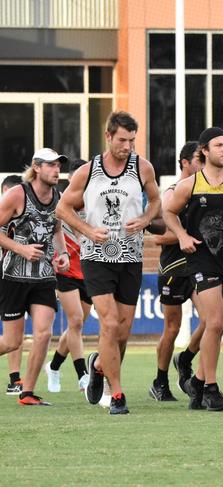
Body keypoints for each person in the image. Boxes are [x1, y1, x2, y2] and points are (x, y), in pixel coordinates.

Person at [56, 111, 161, 415]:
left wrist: (143, 219)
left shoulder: (142, 167)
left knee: (123, 332)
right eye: (122, 140)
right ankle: (117, 394)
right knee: (110, 324)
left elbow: (156, 202)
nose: (127, 146)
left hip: (131, 257)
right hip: (96, 257)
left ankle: (99, 365)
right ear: (108, 136)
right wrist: (88, 231)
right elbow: (63, 208)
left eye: (131, 140)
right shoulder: (88, 172)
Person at [163, 127, 223, 412]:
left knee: (217, 324)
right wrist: (181, 236)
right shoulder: (189, 185)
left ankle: (198, 381)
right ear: (204, 151)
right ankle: (211, 388)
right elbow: (169, 212)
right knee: (215, 321)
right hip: (201, 260)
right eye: (219, 145)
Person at [0, 148, 70, 405]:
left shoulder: (58, 197)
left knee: (43, 333)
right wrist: (21, 248)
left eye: (58, 166)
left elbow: (57, 229)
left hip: (44, 277)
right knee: (11, 342)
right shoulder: (17, 194)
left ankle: (27, 393)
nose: (56, 170)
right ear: (37, 167)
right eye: (51, 165)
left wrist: (63, 254)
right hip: (13, 276)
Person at [148, 141, 205, 402]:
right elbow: (160, 238)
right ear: (184, 162)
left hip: (200, 267)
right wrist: (186, 235)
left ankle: (186, 358)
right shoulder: (171, 193)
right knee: (172, 327)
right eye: (198, 158)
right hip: (174, 268)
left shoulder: (203, 192)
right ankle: (160, 381)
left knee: (212, 320)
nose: (202, 163)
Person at [44, 159, 92, 393]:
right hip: (64, 269)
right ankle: (83, 375)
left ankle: (53, 367)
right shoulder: (59, 203)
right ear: (71, 178)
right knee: (75, 321)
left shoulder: (94, 202)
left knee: (77, 325)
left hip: (90, 270)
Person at [1, 174, 24, 395]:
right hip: (6, 276)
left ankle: (15, 379)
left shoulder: (20, 218)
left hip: (12, 278)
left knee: (13, 336)